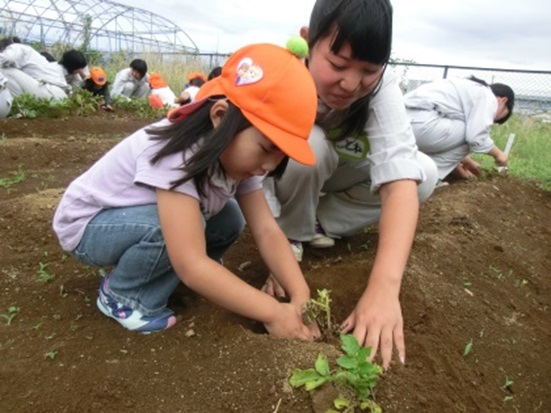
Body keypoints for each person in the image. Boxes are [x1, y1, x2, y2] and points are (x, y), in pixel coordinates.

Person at [52, 42, 320, 341]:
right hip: (89, 227)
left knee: (231, 218)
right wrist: (272, 312)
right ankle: (124, 296)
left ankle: (162, 271)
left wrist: (301, 296)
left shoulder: (240, 158)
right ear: (220, 117)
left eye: (282, 155)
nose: (269, 165)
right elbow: (191, 263)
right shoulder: (177, 154)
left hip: (131, 219)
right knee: (173, 235)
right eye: (267, 148)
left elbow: (267, 230)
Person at [262, 0, 438, 369]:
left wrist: (385, 289)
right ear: (308, 42)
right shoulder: (280, 77)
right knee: (309, 145)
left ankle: (320, 223)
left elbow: (399, 177)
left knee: (423, 172)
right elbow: (250, 174)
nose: (351, 84)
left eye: (369, 70)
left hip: (338, 164)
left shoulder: (381, 88)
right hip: (286, 169)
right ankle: (293, 233)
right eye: (338, 65)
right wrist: (273, 242)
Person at [404, 76, 515, 181]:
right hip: (420, 124)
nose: (492, 120)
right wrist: (499, 155)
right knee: (472, 134)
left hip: (403, 124)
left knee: (469, 130)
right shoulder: (488, 96)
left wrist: (465, 162)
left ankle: (423, 172)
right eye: (500, 116)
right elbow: (476, 137)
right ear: (503, 101)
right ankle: (430, 178)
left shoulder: (469, 88)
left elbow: (446, 139)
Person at [0, 38, 68, 100]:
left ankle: (17, 106)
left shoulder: (16, 47)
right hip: (58, 95)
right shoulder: (30, 53)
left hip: (50, 92)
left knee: (3, 71)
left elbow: (6, 58)